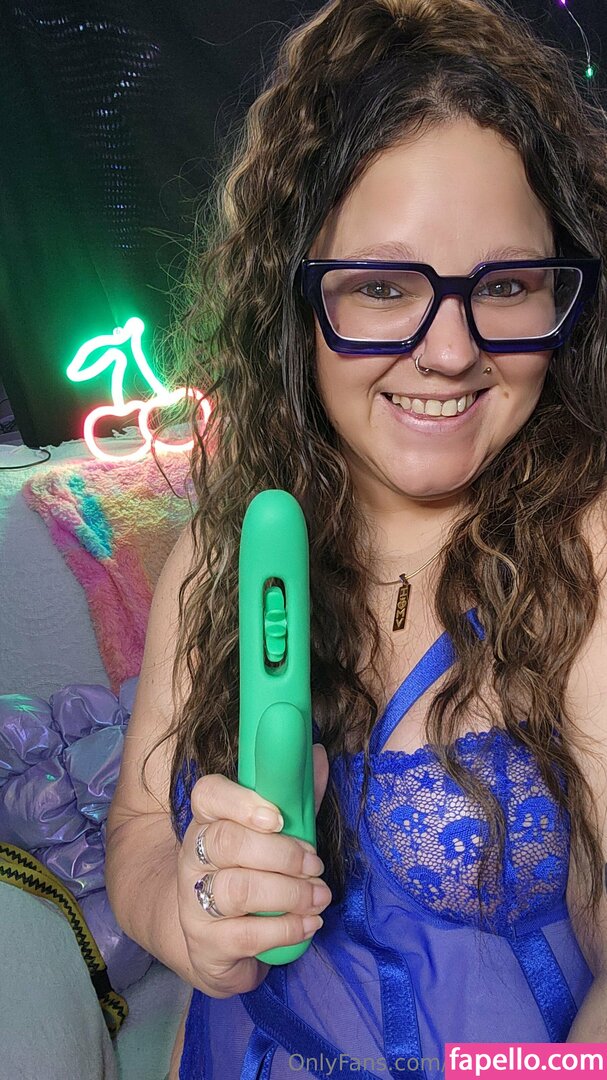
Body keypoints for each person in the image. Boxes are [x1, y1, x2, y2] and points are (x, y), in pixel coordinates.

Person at [105, 0, 607, 1076]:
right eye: (382, 287)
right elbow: (142, 823)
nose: (451, 352)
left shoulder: (589, 555)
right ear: (294, 301)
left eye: (506, 286)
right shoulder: (227, 548)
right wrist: (187, 914)